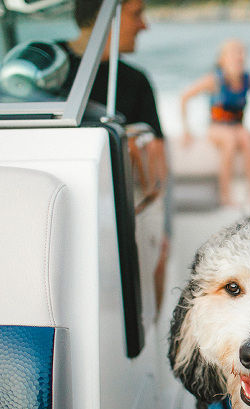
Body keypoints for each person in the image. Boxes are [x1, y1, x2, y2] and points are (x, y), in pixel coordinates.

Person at [64, 0, 171, 310]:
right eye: (136, 14)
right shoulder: (45, 65)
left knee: (155, 254)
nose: (145, 25)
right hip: (71, 201)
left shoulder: (135, 82)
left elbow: (156, 159)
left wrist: (158, 229)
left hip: (121, 201)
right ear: (103, 16)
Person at [181, 39, 250, 208]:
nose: (238, 57)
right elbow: (184, 98)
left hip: (238, 126)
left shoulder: (249, 79)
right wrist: (186, 130)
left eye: (240, 53)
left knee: (247, 140)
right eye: (233, 53)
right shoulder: (213, 79)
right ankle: (226, 196)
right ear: (221, 59)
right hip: (216, 127)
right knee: (230, 140)